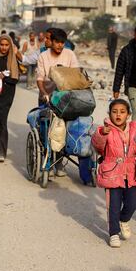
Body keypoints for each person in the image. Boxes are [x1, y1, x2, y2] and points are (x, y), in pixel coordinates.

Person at [92, 99, 136, 248]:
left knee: (133, 202)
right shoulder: (106, 130)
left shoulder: (133, 132)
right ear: (109, 114)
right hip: (112, 172)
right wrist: (101, 134)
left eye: (122, 112)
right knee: (113, 204)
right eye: (115, 111)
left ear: (128, 115)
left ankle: (124, 219)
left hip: (130, 173)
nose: (118, 115)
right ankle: (113, 233)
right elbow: (97, 145)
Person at [36, 28, 79, 176]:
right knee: (46, 129)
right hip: (47, 96)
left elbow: (76, 74)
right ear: (51, 42)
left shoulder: (70, 54)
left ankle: (59, 163)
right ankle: (46, 160)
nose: (60, 45)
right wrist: (44, 93)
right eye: (57, 42)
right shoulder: (43, 56)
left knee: (63, 129)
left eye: (63, 43)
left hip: (65, 97)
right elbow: (40, 79)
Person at [0, 33, 21, 162]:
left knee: (2, 121)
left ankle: (0, 151)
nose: (4, 47)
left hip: (7, 94)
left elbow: (15, 79)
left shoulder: (12, 59)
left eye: (7, 45)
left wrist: (4, 77)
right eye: (2, 44)